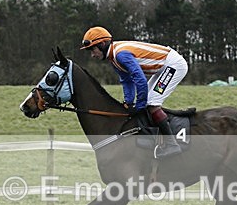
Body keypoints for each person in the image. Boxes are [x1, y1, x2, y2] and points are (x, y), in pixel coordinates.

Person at [80, 26, 188, 158]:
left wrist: (139, 106)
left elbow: (140, 79)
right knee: (148, 100)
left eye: (92, 49)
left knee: (152, 103)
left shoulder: (120, 55)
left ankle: (172, 144)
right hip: (164, 66)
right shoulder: (113, 57)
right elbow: (127, 80)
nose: (92, 54)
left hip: (174, 65)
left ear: (102, 44)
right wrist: (128, 102)